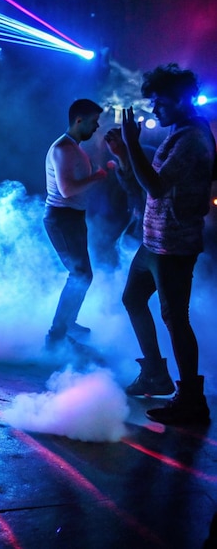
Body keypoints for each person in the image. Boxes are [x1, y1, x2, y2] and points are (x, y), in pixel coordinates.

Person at [116, 64, 215, 425]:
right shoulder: (187, 130)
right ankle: (156, 373)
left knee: (175, 318)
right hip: (155, 243)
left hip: (173, 246)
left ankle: (191, 398)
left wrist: (130, 144)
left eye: (159, 102)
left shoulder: (191, 138)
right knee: (132, 298)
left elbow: (156, 187)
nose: (154, 110)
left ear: (181, 100)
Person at [43, 99, 107, 351]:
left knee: (82, 274)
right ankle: (56, 335)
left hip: (72, 217)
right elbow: (67, 190)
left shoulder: (73, 147)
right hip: (62, 217)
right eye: (93, 122)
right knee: (80, 274)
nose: (97, 126)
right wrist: (98, 176)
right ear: (78, 120)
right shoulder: (63, 149)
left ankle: (67, 323)